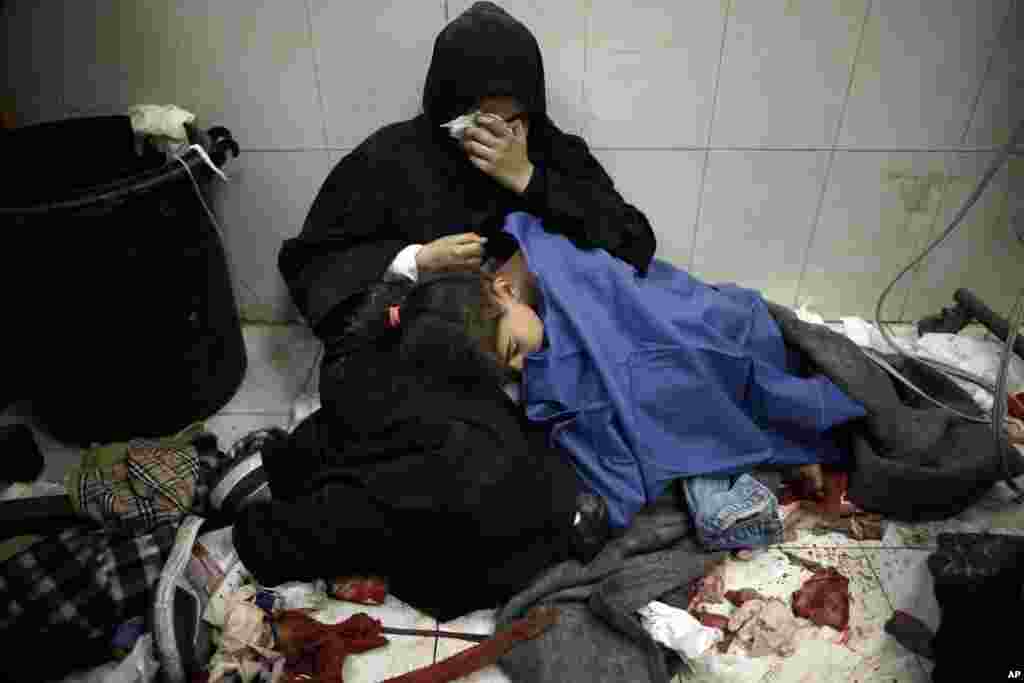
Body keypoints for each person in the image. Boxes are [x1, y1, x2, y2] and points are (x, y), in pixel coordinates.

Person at [309, 212, 869, 552]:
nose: (519, 370)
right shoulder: (473, 334)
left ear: (502, 289)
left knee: (696, 356)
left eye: (513, 351)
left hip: (701, 326)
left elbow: (636, 303)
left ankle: (730, 448)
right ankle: (712, 471)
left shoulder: (547, 251)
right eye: (506, 369)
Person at [279, 1, 656, 361]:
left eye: (511, 122)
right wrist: (415, 260)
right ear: (449, 112)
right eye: (479, 124)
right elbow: (313, 263)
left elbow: (634, 241)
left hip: (547, 353)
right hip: (428, 350)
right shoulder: (390, 157)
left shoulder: (550, 148)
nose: (498, 138)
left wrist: (528, 178)